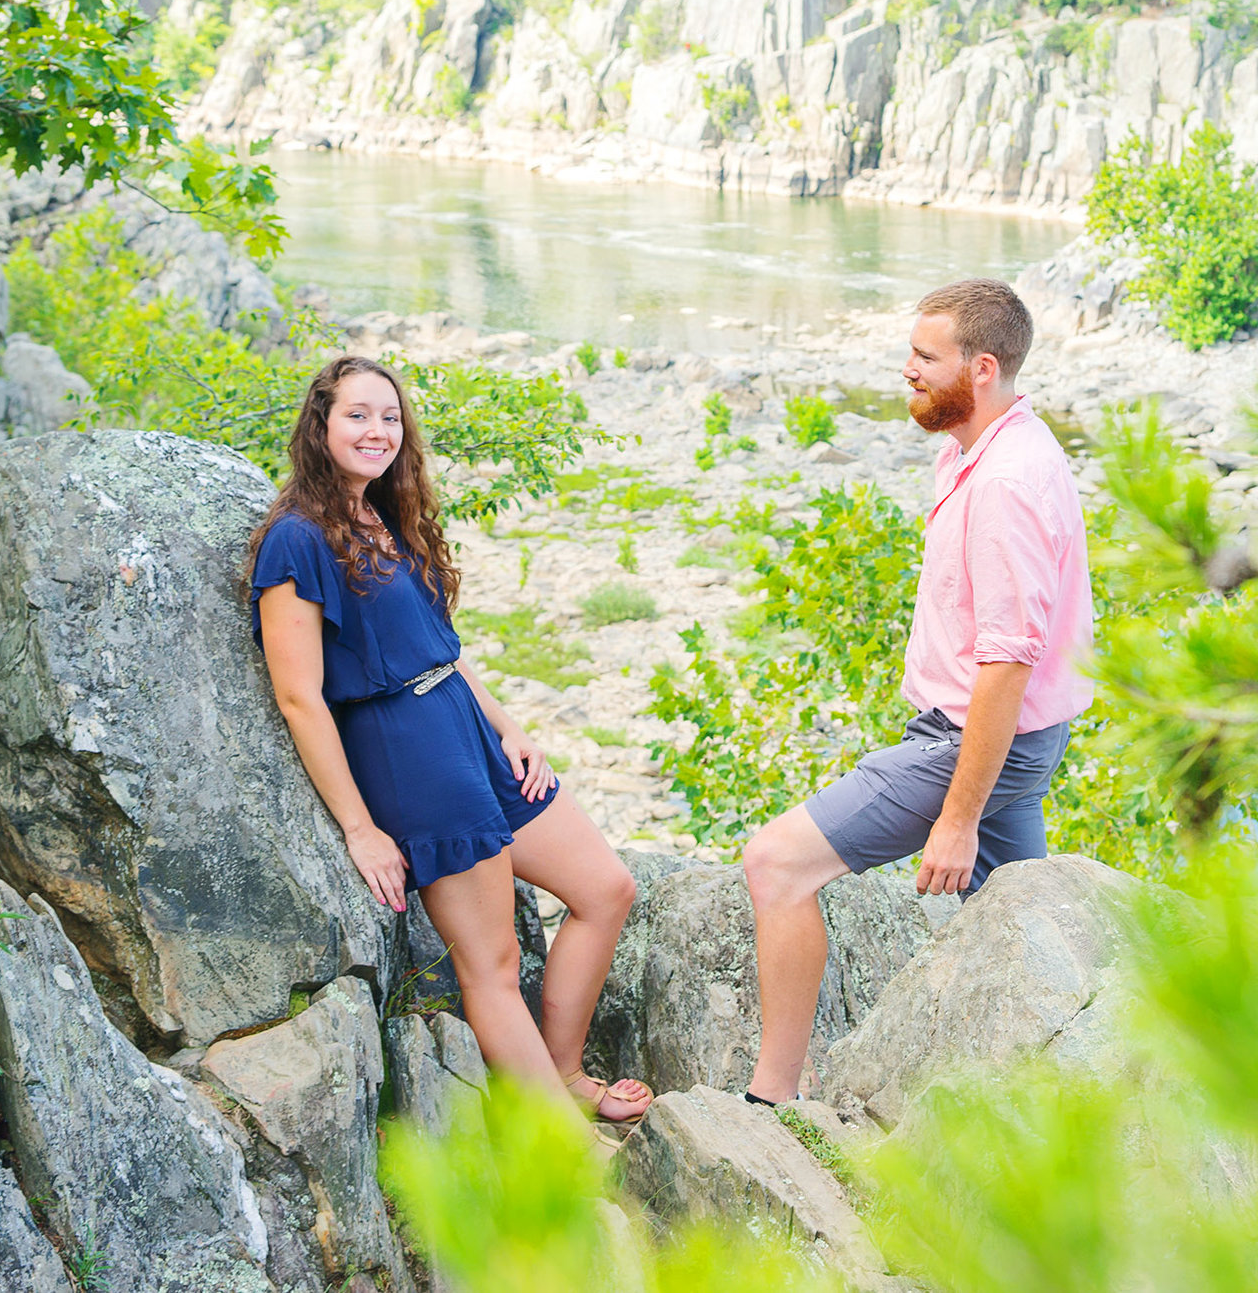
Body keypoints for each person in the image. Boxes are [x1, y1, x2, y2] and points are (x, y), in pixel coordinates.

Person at [251, 355, 654, 1124]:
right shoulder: (295, 541)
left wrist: (511, 728)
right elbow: (299, 695)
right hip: (410, 754)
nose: (378, 430)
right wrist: (361, 828)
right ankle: (557, 1139)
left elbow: (445, 647)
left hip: (466, 729)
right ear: (320, 425)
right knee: (493, 965)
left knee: (606, 888)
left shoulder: (381, 514)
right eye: (358, 415)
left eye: (390, 417)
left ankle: (563, 1071)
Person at [738, 279, 1093, 1106]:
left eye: (924, 358)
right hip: (1010, 736)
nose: (906, 370)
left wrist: (957, 816)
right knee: (1015, 922)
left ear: (981, 367)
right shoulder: (980, 445)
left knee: (776, 866)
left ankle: (769, 1102)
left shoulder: (1007, 482)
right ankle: (1041, 1100)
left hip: (972, 737)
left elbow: (1005, 664)